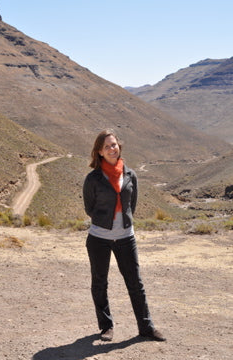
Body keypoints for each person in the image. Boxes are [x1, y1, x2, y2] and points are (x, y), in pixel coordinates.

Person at [83, 129, 166, 342]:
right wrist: (106, 224)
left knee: (135, 283)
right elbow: (89, 208)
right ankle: (106, 326)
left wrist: (122, 224)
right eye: (107, 146)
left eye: (114, 144)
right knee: (100, 282)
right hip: (99, 238)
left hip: (126, 237)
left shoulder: (130, 175)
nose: (112, 149)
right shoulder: (93, 179)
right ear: (99, 152)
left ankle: (146, 327)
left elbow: (132, 205)